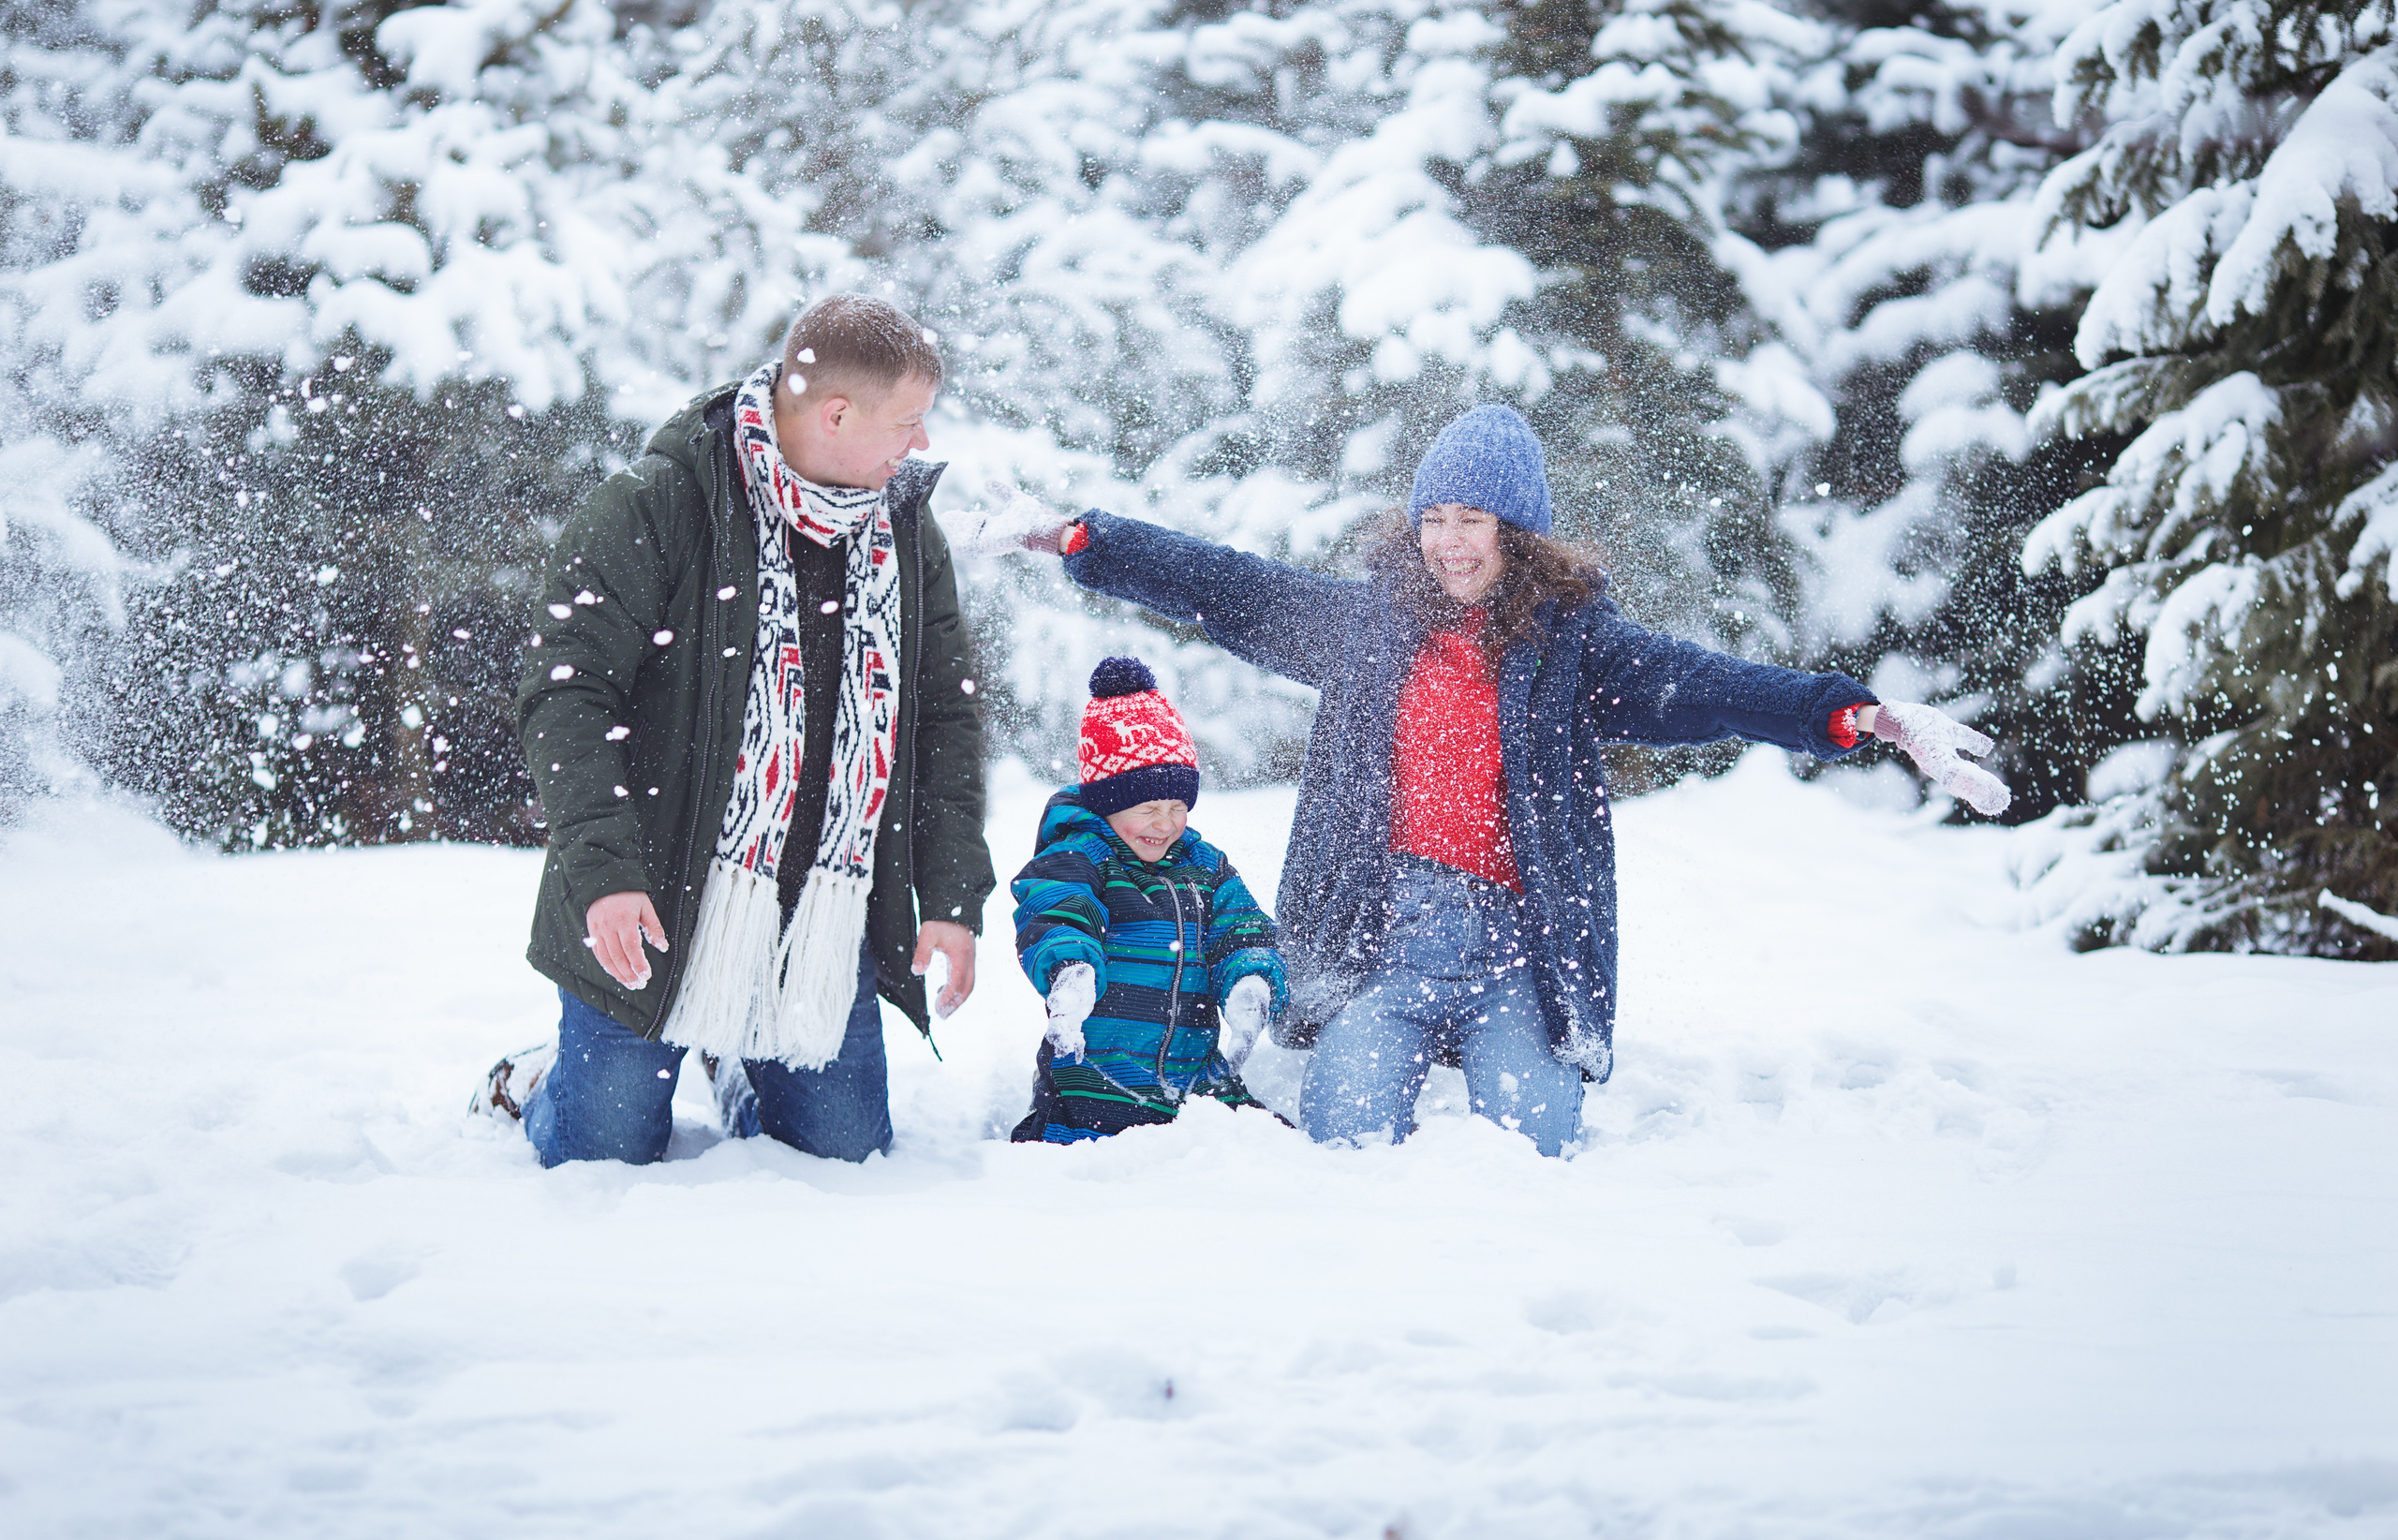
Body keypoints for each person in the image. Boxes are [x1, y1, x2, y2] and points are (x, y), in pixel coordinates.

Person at [1013, 404, 2008, 1157]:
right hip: (1386, 944)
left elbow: (1706, 688)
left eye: (1471, 519)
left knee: (1530, 1150)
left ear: (1516, 530)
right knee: (1342, 1140)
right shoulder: (1366, 631)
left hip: (1514, 960)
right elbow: (1225, 586)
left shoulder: (1576, 649)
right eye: (1432, 518)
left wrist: (1858, 715)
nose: (1447, 541)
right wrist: (1084, 541)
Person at [477, 294, 996, 1167]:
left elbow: (944, 712)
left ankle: (737, 1067)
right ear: (836, 414)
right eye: (907, 422)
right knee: (603, 1151)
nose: (921, 445)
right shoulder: (659, 503)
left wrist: (948, 897)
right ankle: (543, 1079)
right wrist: (604, 877)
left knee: (841, 1154)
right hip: (655, 889)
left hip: (818, 912)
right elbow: (566, 695)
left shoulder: (902, 524)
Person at [1010, 657, 1286, 1143]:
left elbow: (1241, 926)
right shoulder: (1082, 856)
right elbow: (1058, 909)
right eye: (1149, 809)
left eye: (1178, 807)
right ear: (1106, 803)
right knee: (1077, 1154)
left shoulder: (1205, 866)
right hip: (1095, 1081)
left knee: (1272, 1145)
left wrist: (1250, 978)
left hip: (1195, 1084)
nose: (1166, 824)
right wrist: (1070, 969)